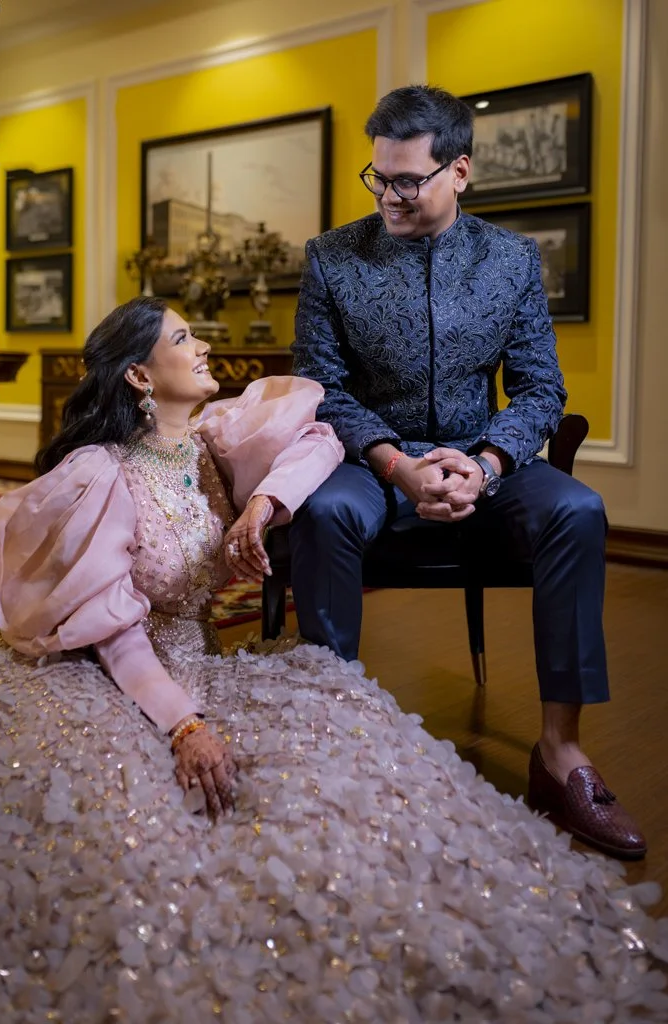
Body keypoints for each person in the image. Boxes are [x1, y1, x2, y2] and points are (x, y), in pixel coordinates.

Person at [0, 296, 665, 1022]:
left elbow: (320, 439)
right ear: (141, 378)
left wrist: (263, 505)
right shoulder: (102, 473)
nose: (203, 346)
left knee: (349, 737)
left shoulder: (211, 438)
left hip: (208, 657)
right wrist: (185, 727)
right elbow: (119, 636)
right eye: (183, 339)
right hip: (128, 678)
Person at [290, 84, 645, 861]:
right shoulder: (329, 259)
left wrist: (483, 464)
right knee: (324, 515)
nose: (388, 195)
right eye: (377, 177)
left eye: (407, 180)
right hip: (368, 459)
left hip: (482, 455)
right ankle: (333, 739)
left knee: (579, 510)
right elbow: (320, 386)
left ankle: (560, 754)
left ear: (460, 171)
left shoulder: (512, 261)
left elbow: (541, 388)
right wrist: (394, 463)